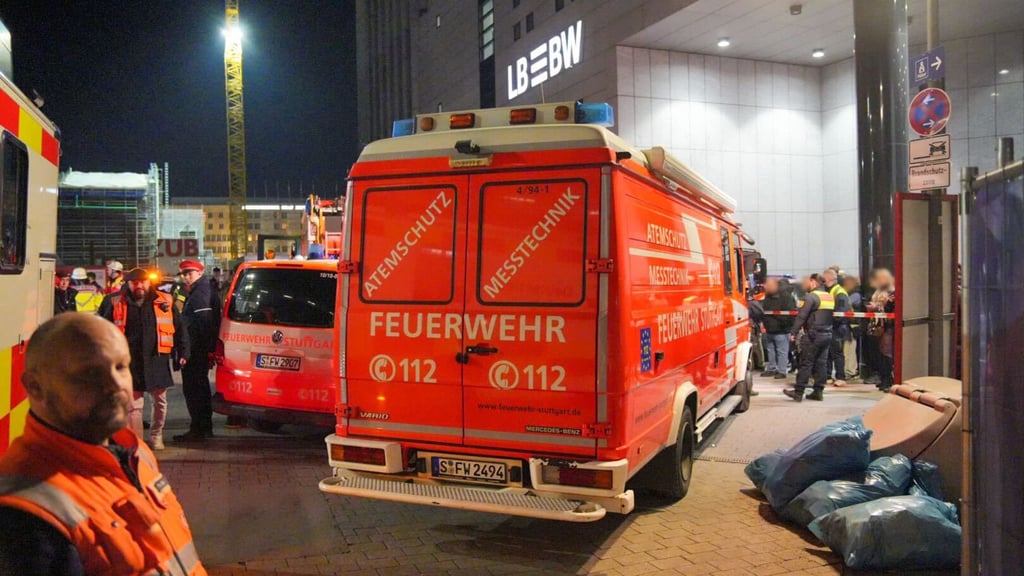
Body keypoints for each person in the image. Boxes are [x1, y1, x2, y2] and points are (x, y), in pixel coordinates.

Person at [0, 314, 207, 576]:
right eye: (89, 373)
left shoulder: (136, 452)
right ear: (35, 386)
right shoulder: (23, 515)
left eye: (121, 366)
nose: (115, 385)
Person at [98, 268, 190, 450]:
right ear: (128, 283)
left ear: (149, 283)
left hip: (157, 359)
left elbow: (180, 328)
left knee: (160, 402)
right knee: (134, 405)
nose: (139, 285)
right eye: (135, 282)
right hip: (130, 361)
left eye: (143, 282)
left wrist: (183, 352)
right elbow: (102, 329)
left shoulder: (164, 300)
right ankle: (137, 442)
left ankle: (156, 436)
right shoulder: (114, 301)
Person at [175, 260, 221, 442]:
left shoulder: (201, 291)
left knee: (194, 389)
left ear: (200, 272)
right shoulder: (200, 289)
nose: (186, 276)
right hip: (198, 347)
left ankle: (198, 428)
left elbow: (204, 322)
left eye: (190, 273)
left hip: (196, 349)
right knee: (199, 387)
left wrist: (201, 349)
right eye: (184, 273)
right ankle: (203, 427)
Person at [784, 274, 835, 402]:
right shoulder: (829, 296)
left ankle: (798, 392)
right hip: (827, 334)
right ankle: (818, 392)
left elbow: (802, 316)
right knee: (821, 364)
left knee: (806, 363)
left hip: (813, 335)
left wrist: (793, 332)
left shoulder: (811, 296)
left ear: (813, 282)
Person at [866, 268, 896, 391]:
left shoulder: (892, 291)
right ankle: (884, 378)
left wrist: (877, 306)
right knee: (880, 352)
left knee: (886, 352)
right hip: (878, 324)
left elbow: (889, 307)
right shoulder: (880, 290)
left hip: (887, 325)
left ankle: (888, 380)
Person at [760, 278, 795, 379]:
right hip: (770, 329)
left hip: (782, 330)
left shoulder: (785, 297)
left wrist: (785, 325)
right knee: (771, 350)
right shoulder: (768, 296)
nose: (766, 287)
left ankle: (781, 370)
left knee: (782, 351)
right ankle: (772, 368)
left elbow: (790, 314)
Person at [822, 269, 851, 387]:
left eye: (824, 280)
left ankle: (840, 377)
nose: (823, 282)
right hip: (830, 326)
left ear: (830, 279)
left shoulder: (839, 292)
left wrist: (829, 318)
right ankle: (828, 376)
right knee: (827, 352)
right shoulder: (829, 291)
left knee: (837, 353)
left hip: (838, 327)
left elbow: (841, 313)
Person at [843, 275, 863, 380]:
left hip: (853, 325)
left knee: (850, 348)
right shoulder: (855, 294)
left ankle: (851, 370)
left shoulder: (855, 295)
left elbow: (848, 304)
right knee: (849, 348)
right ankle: (850, 370)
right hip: (852, 324)